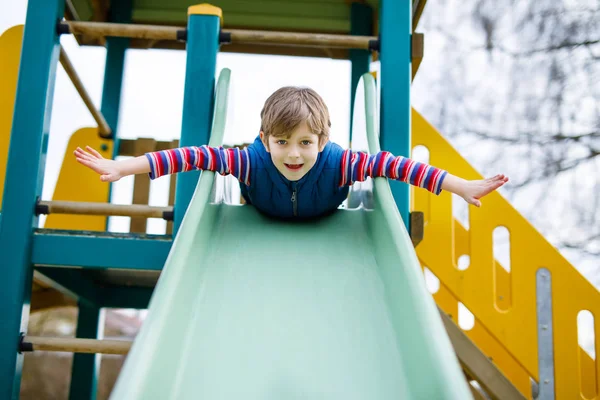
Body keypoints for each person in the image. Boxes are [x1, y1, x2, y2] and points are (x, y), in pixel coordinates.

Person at [74, 87, 508, 219]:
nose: (294, 154)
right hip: (261, 206)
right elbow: (189, 157)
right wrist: (123, 166)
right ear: (264, 139)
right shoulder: (251, 160)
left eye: (305, 143)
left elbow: (401, 167)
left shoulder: (341, 163)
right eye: (282, 142)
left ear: (322, 140)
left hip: (324, 213)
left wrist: (461, 186)